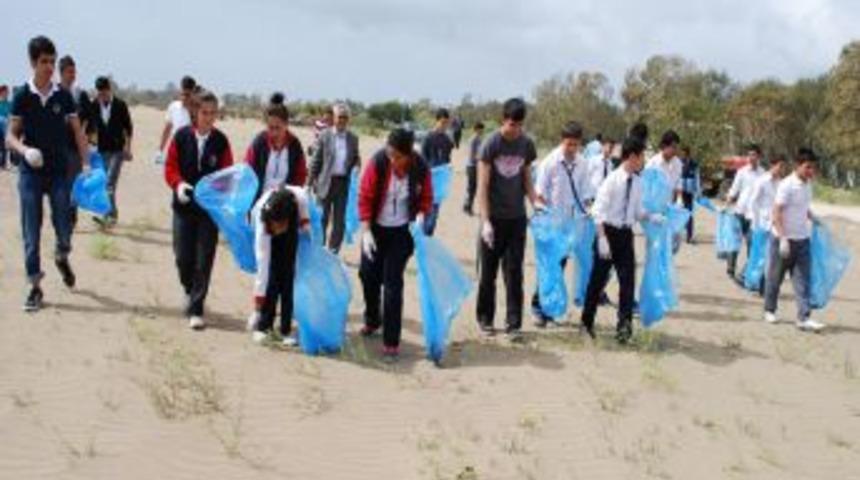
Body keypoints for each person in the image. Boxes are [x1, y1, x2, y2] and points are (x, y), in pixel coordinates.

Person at [5, 36, 91, 311]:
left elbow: (78, 132)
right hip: (30, 173)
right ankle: (34, 286)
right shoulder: (22, 96)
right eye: (44, 61)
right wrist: (25, 150)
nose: (49, 67)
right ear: (32, 62)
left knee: (64, 224)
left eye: (52, 61)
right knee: (31, 230)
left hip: (58, 173)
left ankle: (62, 255)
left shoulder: (63, 96)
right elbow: (10, 136)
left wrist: (86, 164)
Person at [357, 128, 433, 360]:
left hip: (401, 233)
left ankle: (391, 341)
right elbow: (365, 196)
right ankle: (373, 319)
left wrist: (421, 216)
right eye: (390, 154)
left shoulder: (420, 167)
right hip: (376, 229)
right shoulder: (378, 162)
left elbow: (426, 197)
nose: (393, 160)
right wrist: (366, 231)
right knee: (367, 275)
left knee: (392, 284)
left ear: (408, 155)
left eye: (398, 157)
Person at [580, 136, 663, 344]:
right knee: (597, 281)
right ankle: (586, 323)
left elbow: (637, 210)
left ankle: (624, 330)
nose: (643, 160)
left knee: (627, 283)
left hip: (625, 236)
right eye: (642, 156)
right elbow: (598, 212)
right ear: (632, 156)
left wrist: (651, 216)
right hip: (607, 233)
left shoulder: (638, 182)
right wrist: (601, 238)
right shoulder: (612, 181)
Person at [164, 90, 233, 330]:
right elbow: (170, 167)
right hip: (183, 208)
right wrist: (178, 184)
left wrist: (218, 193)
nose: (209, 118)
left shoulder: (221, 142)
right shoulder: (181, 137)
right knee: (183, 257)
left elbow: (227, 176)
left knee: (204, 260)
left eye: (213, 113)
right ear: (195, 112)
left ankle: (196, 309)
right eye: (205, 112)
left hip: (208, 213)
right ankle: (188, 288)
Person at [476, 98, 539, 340]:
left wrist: (535, 202)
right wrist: (485, 221)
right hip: (493, 218)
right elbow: (483, 185)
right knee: (488, 272)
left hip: (516, 218)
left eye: (520, 125)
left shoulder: (526, 144)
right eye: (512, 124)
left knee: (514, 273)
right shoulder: (491, 144)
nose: (515, 130)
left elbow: (527, 178)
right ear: (503, 120)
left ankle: (513, 324)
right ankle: (485, 319)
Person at [530, 121, 588, 327]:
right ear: (562, 140)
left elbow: (584, 192)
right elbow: (538, 193)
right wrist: (545, 215)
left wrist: (587, 209)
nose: (572, 148)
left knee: (560, 266)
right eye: (569, 144)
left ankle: (549, 310)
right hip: (549, 224)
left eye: (576, 144)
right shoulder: (550, 162)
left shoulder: (582, 163)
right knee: (547, 267)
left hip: (568, 226)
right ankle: (537, 308)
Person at [764, 148, 823, 332]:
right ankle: (770, 310)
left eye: (813, 167)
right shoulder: (786, 185)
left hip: (802, 239)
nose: (811, 171)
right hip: (783, 239)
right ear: (798, 165)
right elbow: (776, 212)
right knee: (775, 277)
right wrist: (783, 238)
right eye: (808, 167)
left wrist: (812, 217)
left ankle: (803, 317)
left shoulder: (808, 185)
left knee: (803, 280)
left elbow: (803, 207)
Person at [247, 186, 310, 347]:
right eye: (276, 226)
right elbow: (262, 265)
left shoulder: (296, 199)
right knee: (272, 278)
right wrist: (258, 304)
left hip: (290, 229)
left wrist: (305, 222)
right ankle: (263, 326)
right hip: (267, 232)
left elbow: (303, 203)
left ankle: (285, 330)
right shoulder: (263, 225)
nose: (278, 229)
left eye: (281, 225)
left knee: (288, 280)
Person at [310, 102, 360, 254]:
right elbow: (316, 160)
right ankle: (319, 252)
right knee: (321, 219)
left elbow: (355, 158)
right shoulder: (325, 136)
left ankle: (333, 253)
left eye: (345, 117)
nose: (342, 120)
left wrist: (357, 165)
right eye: (339, 117)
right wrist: (309, 181)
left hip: (343, 184)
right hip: (325, 182)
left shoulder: (353, 138)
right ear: (334, 118)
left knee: (339, 222)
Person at [244, 93, 307, 203]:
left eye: (278, 128)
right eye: (270, 127)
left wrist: (292, 196)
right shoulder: (258, 143)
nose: (274, 133)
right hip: (258, 203)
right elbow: (247, 172)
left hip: (285, 204)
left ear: (286, 124)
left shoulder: (294, 145)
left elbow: (300, 175)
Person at [91, 76, 133, 227]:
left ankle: (110, 215)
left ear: (109, 90)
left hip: (117, 150)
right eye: (99, 93)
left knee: (109, 183)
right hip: (102, 150)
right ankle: (109, 215)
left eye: (104, 92)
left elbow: (128, 128)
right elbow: (90, 126)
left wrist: (128, 148)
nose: (102, 96)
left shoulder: (120, 105)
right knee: (105, 183)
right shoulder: (94, 105)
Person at [58, 55, 94, 229]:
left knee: (73, 184)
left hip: (75, 148)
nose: (73, 75)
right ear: (61, 73)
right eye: (69, 72)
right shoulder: (54, 93)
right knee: (59, 184)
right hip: (57, 147)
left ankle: (71, 217)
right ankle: (61, 215)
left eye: (74, 72)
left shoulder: (81, 94)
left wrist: (87, 136)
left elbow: (91, 117)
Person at [747, 154, 786, 295]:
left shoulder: (782, 183)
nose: (782, 169)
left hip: (775, 225)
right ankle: (755, 284)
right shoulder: (762, 181)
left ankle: (764, 287)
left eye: (783, 167)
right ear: (772, 165)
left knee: (771, 258)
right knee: (760, 257)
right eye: (780, 166)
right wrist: (755, 222)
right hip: (762, 224)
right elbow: (753, 202)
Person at [726, 144, 765, 281]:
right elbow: (734, 189)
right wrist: (729, 200)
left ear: (759, 156)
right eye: (749, 155)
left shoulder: (763, 174)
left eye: (754, 155)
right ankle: (731, 268)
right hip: (740, 211)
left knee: (752, 242)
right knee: (735, 240)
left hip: (754, 215)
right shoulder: (742, 172)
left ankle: (750, 270)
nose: (751, 157)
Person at [420, 108, 454, 236]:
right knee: (428, 212)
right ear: (437, 121)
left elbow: (447, 159)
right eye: (443, 122)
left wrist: (448, 169)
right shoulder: (428, 138)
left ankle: (427, 237)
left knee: (434, 213)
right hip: (428, 179)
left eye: (447, 123)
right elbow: (422, 159)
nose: (445, 125)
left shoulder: (447, 140)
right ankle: (424, 237)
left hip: (440, 181)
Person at [156, 76, 196, 164]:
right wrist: (160, 150)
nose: (184, 97)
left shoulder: (198, 110)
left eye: (188, 95)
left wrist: (191, 111)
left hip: (191, 150)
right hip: (175, 148)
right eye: (182, 94)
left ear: (193, 93)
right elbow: (167, 129)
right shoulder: (173, 106)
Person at [645, 130, 683, 203]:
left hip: (669, 205)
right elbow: (646, 189)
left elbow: (678, 183)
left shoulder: (677, 163)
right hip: (653, 206)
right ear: (664, 146)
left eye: (676, 147)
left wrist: (679, 199)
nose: (675, 150)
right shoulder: (652, 164)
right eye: (673, 147)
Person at [680, 146, 701, 243]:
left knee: (689, 213)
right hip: (680, 191)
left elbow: (697, 178)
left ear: (688, 153)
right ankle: (682, 233)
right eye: (682, 154)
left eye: (684, 154)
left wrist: (698, 191)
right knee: (681, 213)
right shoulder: (679, 163)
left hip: (690, 192)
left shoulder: (694, 164)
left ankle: (689, 235)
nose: (683, 155)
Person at [586, 136, 616, 204]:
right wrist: (587, 196)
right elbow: (587, 177)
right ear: (603, 146)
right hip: (592, 195)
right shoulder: (594, 160)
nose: (611, 150)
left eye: (612, 148)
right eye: (610, 147)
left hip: (603, 197)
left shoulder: (610, 164)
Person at [462, 122, 484, 215]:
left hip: (475, 166)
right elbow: (472, 156)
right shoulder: (473, 140)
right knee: (472, 188)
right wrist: (480, 159)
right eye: (480, 129)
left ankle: (467, 206)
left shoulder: (479, 139)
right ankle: (468, 207)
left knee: (473, 188)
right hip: (472, 167)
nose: (482, 131)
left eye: (482, 129)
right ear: (476, 129)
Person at [0, 85, 11, 169]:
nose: (7, 94)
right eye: (5, 92)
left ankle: (3, 163)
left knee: (4, 146)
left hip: (6, 128)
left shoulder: (10, 104)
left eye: (7, 92)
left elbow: (11, 114)